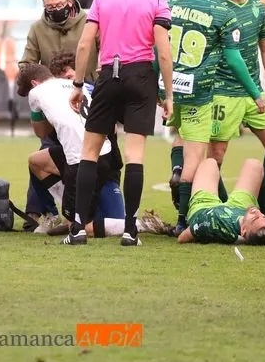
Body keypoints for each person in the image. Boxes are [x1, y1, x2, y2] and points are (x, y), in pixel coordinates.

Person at [65, 0, 174, 247]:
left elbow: (85, 42)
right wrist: (169, 95)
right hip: (140, 76)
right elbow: (163, 51)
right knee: (135, 154)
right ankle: (130, 231)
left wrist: (78, 84)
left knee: (89, 152)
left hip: (107, 74)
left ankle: (76, 228)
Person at [165, 0, 265, 234]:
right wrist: (256, 93)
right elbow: (234, 60)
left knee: (179, 138)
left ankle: (175, 171)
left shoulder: (172, 3)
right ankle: (183, 221)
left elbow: (157, 46)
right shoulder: (224, 12)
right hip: (199, 91)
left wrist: (160, 89)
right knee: (195, 159)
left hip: (172, 87)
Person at [18, 62, 172, 238]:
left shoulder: (37, 92)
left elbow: (41, 132)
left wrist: (38, 112)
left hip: (82, 161)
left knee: (84, 227)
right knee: (36, 161)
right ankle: (69, 212)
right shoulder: (78, 85)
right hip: (104, 152)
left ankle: (142, 224)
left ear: (33, 84)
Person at [208, 0, 265, 227]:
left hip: (256, 93)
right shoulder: (217, 10)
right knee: (215, 156)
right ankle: (223, 208)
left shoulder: (259, 9)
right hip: (223, 92)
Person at [18, 0, 100, 226]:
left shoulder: (90, 22)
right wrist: (48, 83)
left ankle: (93, 205)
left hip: (88, 102)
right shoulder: (37, 29)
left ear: (70, 0)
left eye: (59, 5)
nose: (54, 10)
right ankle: (37, 211)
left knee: (95, 154)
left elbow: (103, 52)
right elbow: (26, 64)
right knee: (44, 150)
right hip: (55, 107)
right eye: (49, 6)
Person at [176, 158, 265, 245]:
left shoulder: (216, 223)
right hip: (240, 208)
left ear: (243, 231)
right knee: (254, 164)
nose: (256, 212)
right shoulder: (249, 219)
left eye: (254, 219)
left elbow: (182, 238)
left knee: (209, 163)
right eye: (262, 216)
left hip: (205, 207)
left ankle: (181, 221)